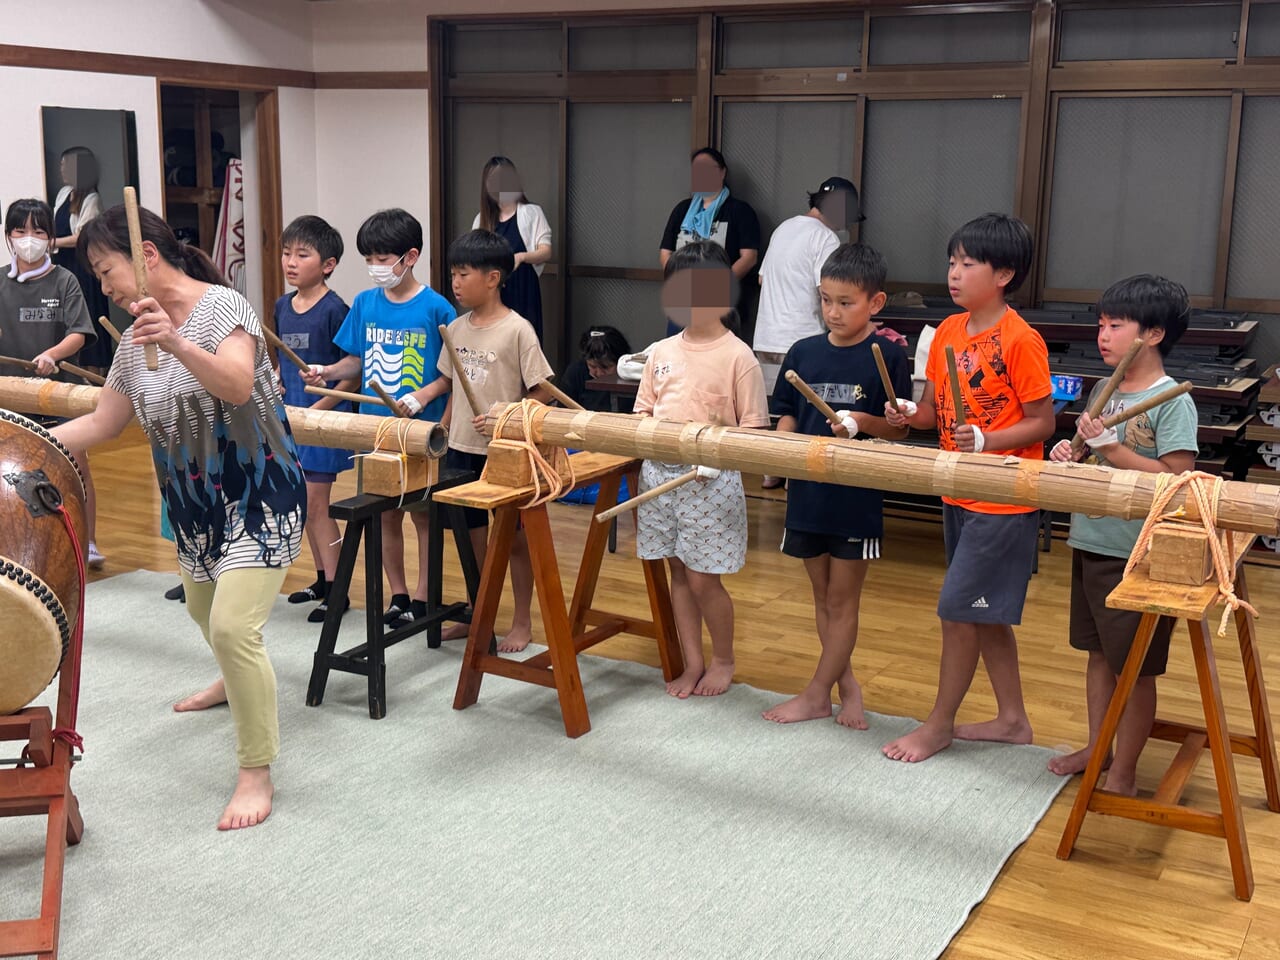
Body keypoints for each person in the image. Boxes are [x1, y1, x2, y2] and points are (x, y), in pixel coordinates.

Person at [54, 202, 306, 830]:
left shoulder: (226, 308)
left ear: (145, 255)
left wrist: (176, 340)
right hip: (195, 504)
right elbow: (104, 422)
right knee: (204, 611)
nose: (103, 285)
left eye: (105, 269)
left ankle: (256, 771)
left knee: (230, 626)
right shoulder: (133, 339)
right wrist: (27, 440)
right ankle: (233, 680)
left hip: (260, 493)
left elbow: (238, 385)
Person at [881, 213, 1054, 763]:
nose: (954, 274)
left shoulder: (1020, 339)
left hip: (1003, 498)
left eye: (967, 264)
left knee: (958, 611)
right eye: (951, 263)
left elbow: (1043, 423)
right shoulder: (948, 333)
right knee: (984, 612)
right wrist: (910, 413)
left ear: (1003, 273)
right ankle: (1011, 720)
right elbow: (936, 413)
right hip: (956, 490)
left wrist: (988, 439)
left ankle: (938, 724)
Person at [1046, 275, 1198, 795]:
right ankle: (1098, 746)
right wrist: (1073, 453)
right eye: (1100, 324)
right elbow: (1090, 453)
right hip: (1091, 540)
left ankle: (1127, 771)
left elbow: (1175, 479)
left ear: (1152, 334)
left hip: (1139, 554)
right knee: (1096, 657)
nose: (1102, 335)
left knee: (1134, 669)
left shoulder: (1171, 399)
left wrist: (1110, 448)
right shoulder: (1102, 390)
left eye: (1116, 325)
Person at [763, 243, 911, 727]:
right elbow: (786, 412)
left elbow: (900, 427)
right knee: (821, 597)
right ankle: (847, 688)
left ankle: (814, 693)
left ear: (876, 303)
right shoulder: (803, 351)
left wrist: (864, 420)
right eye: (826, 299)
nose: (833, 311)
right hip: (808, 494)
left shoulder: (887, 355)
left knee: (843, 600)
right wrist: (783, 454)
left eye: (845, 302)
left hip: (856, 497)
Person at [301, 209, 454, 627]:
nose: (375, 267)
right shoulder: (366, 303)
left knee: (423, 516)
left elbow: (450, 373)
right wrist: (326, 372)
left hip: (421, 433)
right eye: (369, 258)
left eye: (383, 258)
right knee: (385, 514)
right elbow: (355, 360)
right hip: (376, 431)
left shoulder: (437, 308)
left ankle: (424, 597)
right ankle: (399, 596)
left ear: (411, 256)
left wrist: (422, 398)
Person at [635, 240, 770, 698]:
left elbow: (754, 433)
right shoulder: (660, 351)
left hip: (709, 484)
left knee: (702, 578)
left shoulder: (739, 357)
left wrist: (717, 452)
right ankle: (692, 662)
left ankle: (723, 659)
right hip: (658, 477)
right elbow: (641, 415)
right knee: (677, 571)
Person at [439, 229, 554, 653]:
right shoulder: (454, 328)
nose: (455, 282)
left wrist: (508, 415)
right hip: (461, 449)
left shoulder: (518, 330)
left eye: (463, 274)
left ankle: (521, 621)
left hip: (506, 453)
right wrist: (443, 432)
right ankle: (478, 612)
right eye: (453, 273)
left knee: (517, 541)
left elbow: (541, 390)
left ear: (493, 278)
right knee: (471, 540)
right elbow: (452, 388)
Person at [1, 198, 105, 569]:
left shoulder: (64, 280)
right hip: (11, 396)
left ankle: (88, 542)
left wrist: (53, 355)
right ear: (9, 236)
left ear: (50, 238)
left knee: (75, 466)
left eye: (38, 231)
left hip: (58, 394)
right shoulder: (0, 280)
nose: (29, 238)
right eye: (20, 230)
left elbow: (79, 332)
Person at [753, 175, 863, 489]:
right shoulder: (826, 239)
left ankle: (771, 471)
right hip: (802, 338)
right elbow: (827, 289)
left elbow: (762, 279)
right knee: (806, 411)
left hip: (766, 335)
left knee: (781, 410)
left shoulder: (783, 229)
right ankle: (796, 476)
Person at [274, 215, 355, 623]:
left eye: (302, 255)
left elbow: (351, 370)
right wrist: (276, 381)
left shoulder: (335, 309)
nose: (290, 262)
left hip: (323, 422)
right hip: (292, 421)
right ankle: (323, 580)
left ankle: (339, 591)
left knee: (316, 505)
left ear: (328, 264)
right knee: (304, 507)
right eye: (287, 253)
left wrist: (313, 413)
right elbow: (280, 364)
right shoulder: (281, 306)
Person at [659, 148, 760, 339]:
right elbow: (666, 252)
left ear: (722, 172)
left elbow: (749, 257)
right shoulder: (682, 209)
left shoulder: (739, 211)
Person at [473, 157, 552, 342]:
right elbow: (474, 257)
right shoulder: (481, 219)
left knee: (525, 343)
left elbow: (546, 251)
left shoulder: (532, 212)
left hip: (523, 288)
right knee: (492, 345)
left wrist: (521, 257)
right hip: (491, 292)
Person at [51, 146, 113, 374]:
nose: (63, 170)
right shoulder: (63, 193)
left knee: (90, 316)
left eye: (67, 166)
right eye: (62, 166)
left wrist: (53, 243)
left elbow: (82, 237)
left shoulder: (91, 198)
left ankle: (95, 373)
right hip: (64, 264)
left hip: (83, 267)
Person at [557, 325, 633, 412]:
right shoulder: (576, 373)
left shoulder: (631, 376)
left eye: (605, 367)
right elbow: (563, 411)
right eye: (592, 366)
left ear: (621, 361)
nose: (599, 373)